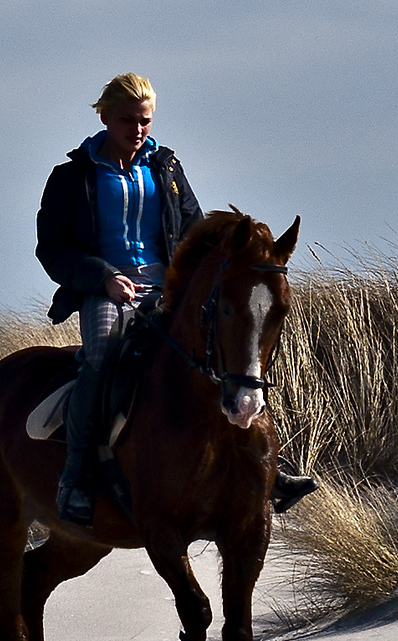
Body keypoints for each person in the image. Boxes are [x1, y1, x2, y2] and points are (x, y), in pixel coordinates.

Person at [35, 73, 316, 523]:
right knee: (102, 355)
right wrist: (103, 277)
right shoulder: (72, 178)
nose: (137, 129)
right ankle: (76, 475)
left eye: (144, 120)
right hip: (107, 292)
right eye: (127, 119)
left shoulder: (166, 169)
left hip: (169, 290)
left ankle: (268, 468)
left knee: (223, 350)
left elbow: (194, 232)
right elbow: (52, 249)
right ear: (104, 116)